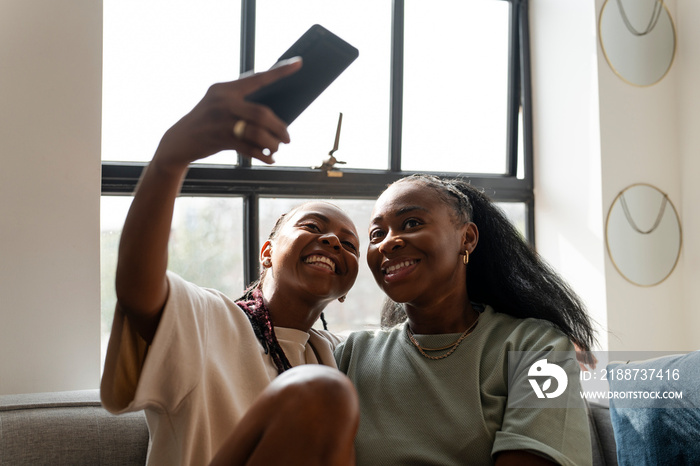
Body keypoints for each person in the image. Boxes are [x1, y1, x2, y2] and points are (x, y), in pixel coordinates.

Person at [100, 58, 360, 466]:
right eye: (313, 226)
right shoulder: (210, 321)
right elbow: (138, 289)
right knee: (323, 391)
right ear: (267, 252)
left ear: (345, 291)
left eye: (350, 245)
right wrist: (171, 158)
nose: (333, 241)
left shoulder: (336, 354)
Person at [334, 174, 597, 466]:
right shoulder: (352, 354)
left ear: (467, 238)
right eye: (376, 234)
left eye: (411, 223)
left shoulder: (538, 347)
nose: (388, 243)